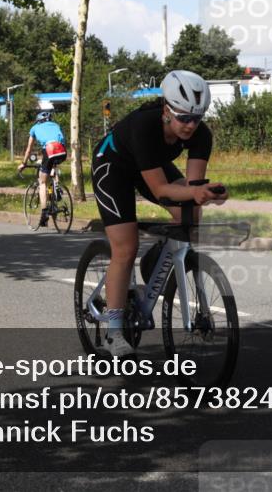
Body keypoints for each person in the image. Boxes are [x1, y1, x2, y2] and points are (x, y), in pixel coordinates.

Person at [91, 70, 228, 357]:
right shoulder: (144, 126)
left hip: (149, 164)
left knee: (191, 219)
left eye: (197, 118)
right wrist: (194, 193)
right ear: (167, 110)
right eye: (184, 117)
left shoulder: (201, 135)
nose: (191, 125)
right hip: (113, 167)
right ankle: (114, 333)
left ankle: (156, 263)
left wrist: (206, 192)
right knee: (126, 247)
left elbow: (192, 187)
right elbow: (161, 190)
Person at [19, 110, 67, 227]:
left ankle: (44, 213)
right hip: (62, 150)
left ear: (38, 120)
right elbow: (62, 140)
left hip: (49, 150)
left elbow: (29, 148)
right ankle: (57, 187)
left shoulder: (34, 128)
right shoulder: (56, 125)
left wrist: (23, 163)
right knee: (53, 166)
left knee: (42, 182)